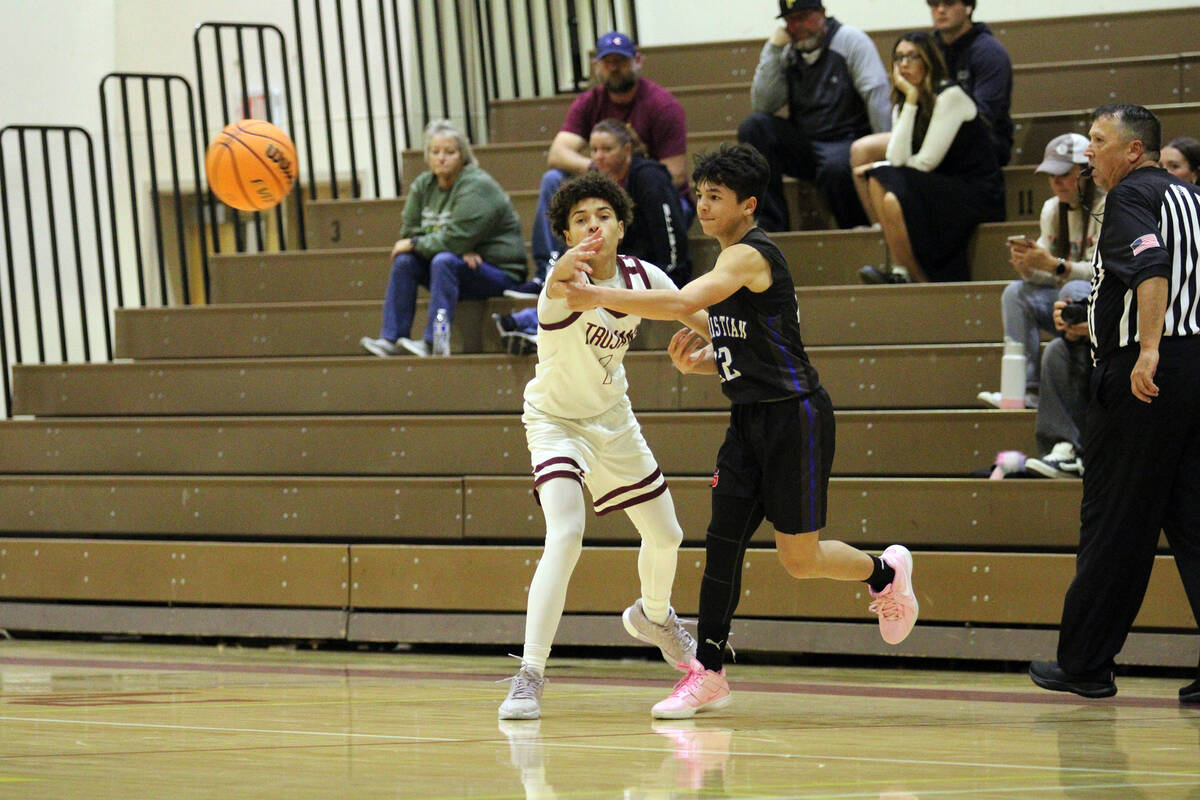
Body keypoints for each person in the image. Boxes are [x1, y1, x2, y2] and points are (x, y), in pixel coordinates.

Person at [562, 144, 918, 718]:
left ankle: (884, 572)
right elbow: (733, 335)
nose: (702, 206)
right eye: (698, 195)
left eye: (715, 198)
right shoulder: (730, 264)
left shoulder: (750, 257)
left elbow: (681, 301)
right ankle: (709, 672)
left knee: (799, 560)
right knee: (721, 542)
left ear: (747, 205)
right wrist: (704, 362)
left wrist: (597, 294)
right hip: (747, 419)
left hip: (795, 417)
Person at [498, 172, 708, 720]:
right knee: (565, 535)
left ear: (621, 224)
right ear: (566, 236)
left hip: (613, 419)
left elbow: (694, 312)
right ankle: (530, 673)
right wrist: (565, 266)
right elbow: (562, 278)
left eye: (602, 216)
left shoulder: (645, 276)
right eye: (579, 220)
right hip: (554, 421)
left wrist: (741, 341)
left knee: (668, 535)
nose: (593, 226)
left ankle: (655, 617)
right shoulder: (561, 284)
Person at [1029, 104, 1200, 705]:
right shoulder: (1189, 198)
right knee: (1193, 520)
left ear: (1132, 151)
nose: (1088, 154)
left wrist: (1147, 348)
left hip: (1142, 374)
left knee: (1112, 519)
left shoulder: (1128, 198)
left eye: (1098, 142)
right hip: (1193, 366)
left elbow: (1151, 268)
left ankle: (1085, 663)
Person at [511, 31, 689, 299]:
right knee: (553, 180)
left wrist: (625, 184)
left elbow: (674, 174)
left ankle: (664, 273)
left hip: (655, 196)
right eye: (608, 61)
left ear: (637, 60)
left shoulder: (661, 105)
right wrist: (601, 172)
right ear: (597, 66)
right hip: (609, 194)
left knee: (651, 188)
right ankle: (548, 271)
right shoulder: (588, 102)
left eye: (621, 60)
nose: (614, 67)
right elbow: (558, 153)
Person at [495, 119, 693, 351]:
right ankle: (531, 323)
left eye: (607, 149)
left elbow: (669, 233)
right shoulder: (567, 275)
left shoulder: (648, 178)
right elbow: (562, 283)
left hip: (655, 264)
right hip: (561, 380)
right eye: (594, 150)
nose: (598, 156)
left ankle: (529, 325)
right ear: (567, 238)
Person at [359, 119, 525, 357]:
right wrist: (454, 247)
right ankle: (391, 338)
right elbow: (409, 233)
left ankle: (433, 342)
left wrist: (445, 245)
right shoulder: (423, 186)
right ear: (427, 156)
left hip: (498, 272)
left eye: (450, 152)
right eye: (435, 152)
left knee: (443, 260)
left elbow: (452, 240)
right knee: (406, 261)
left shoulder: (477, 185)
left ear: (463, 156)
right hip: (460, 265)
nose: (442, 158)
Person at [855, 31, 1004, 284]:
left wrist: (881, 165)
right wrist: (910, 101)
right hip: (939, 186)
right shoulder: (904, 102)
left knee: (880, 177)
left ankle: (920, 280)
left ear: (929, 61)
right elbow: (899, 159)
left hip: (975, 192)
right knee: (887, 194)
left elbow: (924, 164)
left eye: (913, 57)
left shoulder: (950, 96)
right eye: (899, 57)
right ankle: (905, 275)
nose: (904, 64)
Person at [976, 133, 1105, 410]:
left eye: (1063, 174)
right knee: (1016, 293)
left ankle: (1073, 388)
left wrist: (1054, 265)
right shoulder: (1051, 209)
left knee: (1073, 289)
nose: (1055, 182)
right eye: (1051, 175)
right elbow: (1048, 273)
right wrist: (1029, 268)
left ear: (1085, 172)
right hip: (1064, 302)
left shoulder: (1105, 206)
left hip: (1102, 309)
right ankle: (1026, 389)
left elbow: (1101, 273)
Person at [737, 0, 890, 231]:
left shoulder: (851, 41)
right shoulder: (787, 49)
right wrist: (772, 50)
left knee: (837, 167)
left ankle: (855, 229)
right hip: (807, 143)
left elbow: (877, 96)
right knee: (754, 127)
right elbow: (764, 105)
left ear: (823, 13)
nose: (798, 26)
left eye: (804, 16)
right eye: (791, 20)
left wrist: (885, 155)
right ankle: (771, 227)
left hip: (848, 140)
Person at [929, 0, 1013, 168]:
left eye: (949, 3)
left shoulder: (989, 52)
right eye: (934, 3)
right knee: (866, 153)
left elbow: (983, 118)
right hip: (933, 136)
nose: (940, 10)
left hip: (985, 142)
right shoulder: (928, 49)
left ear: (969, 7)